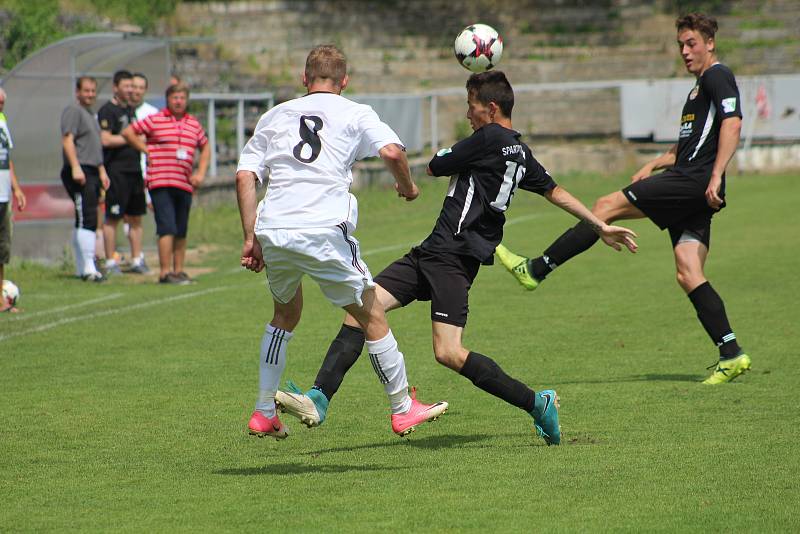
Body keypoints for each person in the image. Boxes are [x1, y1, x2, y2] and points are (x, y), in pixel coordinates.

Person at [276, 70, 638, 446]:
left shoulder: (489, 138)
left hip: (453, 258)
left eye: (472, 107)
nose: (468, 115)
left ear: (491, 108)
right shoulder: (519, 150)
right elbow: (555, 191)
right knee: (360, 310)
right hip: (432, 251)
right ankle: (319, 399)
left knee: (448, 352)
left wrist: (449, 159)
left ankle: (537, 402)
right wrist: (600, 225)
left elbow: (434, 165)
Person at [495, 13, 749, 385]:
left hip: (693, 183)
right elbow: (690, 145)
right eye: (680, 44)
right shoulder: (697, 90)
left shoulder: (716, 76)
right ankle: (731, 353)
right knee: (688, 272)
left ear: (710, 42)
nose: (685, 51)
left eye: (692, 42)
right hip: (691, 185)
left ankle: (537, 269)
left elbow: (734, 123)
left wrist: (714, 176)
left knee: (603, 207)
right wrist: (653, 164)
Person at [236, 45, 448, 439]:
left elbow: (245, 176)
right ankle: (403, 408)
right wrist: (409, 187)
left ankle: (264, 411)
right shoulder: (355, 112)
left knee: (285, 313)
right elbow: (391, 151)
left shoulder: (275, 115)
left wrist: (252, 238)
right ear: (344, 81)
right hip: (321, 229)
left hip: (275, 228)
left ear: (305, 79)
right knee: (371, 314)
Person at [122, 83, 210, 284]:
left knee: (181, 228)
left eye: (182, 98)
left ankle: (179, 270)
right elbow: (129, 133)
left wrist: (201, 173)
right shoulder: (155, 119)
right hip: (160, 180)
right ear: (168, 99)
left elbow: (205, 148)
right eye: (174, 97)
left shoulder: (193, 124)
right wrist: (146, 150)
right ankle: (164, 272)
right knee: (166, 226)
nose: (178, 101)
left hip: (184, 182)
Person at [98, 70, 149, 275]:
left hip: (134, 170)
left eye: (133, 86)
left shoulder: (130, 110)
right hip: (116, 172)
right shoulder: (107, 110)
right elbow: (106, 139)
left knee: (136, 217)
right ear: (116, 87)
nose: (130, 90)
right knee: (113, 217)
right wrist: (131, 139)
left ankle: (137, 259)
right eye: (126, 86)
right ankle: (110, 262)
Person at [61, 76, 110, 282]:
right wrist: (75, 167)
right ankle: (88, 267)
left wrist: (101, 171)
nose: (90, 94)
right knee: (86, 217)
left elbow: (94, 147)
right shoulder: (74, 111)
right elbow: (67, 140)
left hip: (92, 170)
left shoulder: (90, 114)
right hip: (81, 171)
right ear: (78, 92)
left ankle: (83, 267)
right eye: (86, 91)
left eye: (93, 91)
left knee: (87, 216)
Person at [0, 88, 27, 312]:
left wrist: (16, 188)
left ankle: (1, 301)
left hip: (3, 195)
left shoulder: (2, 120)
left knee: (2, 250)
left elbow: (7, 158)